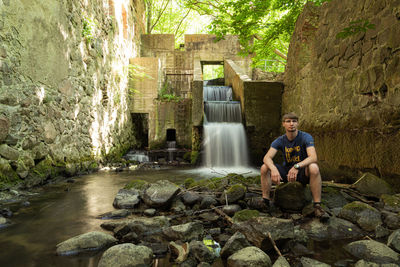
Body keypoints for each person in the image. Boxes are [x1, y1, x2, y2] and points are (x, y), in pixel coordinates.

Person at [260, 112, 328, 220]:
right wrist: (273, 169)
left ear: (297, 123)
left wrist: (297, 166)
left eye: (294, 121)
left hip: (301, 172)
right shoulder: (280, 140)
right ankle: (265, 202)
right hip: (287, 172)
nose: (291, 124)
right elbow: (266, 158)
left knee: (314, 167)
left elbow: (313, 157)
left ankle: (317, 205)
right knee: (264, 167)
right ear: (283, 124)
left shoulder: (305, 137)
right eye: (288, 121)